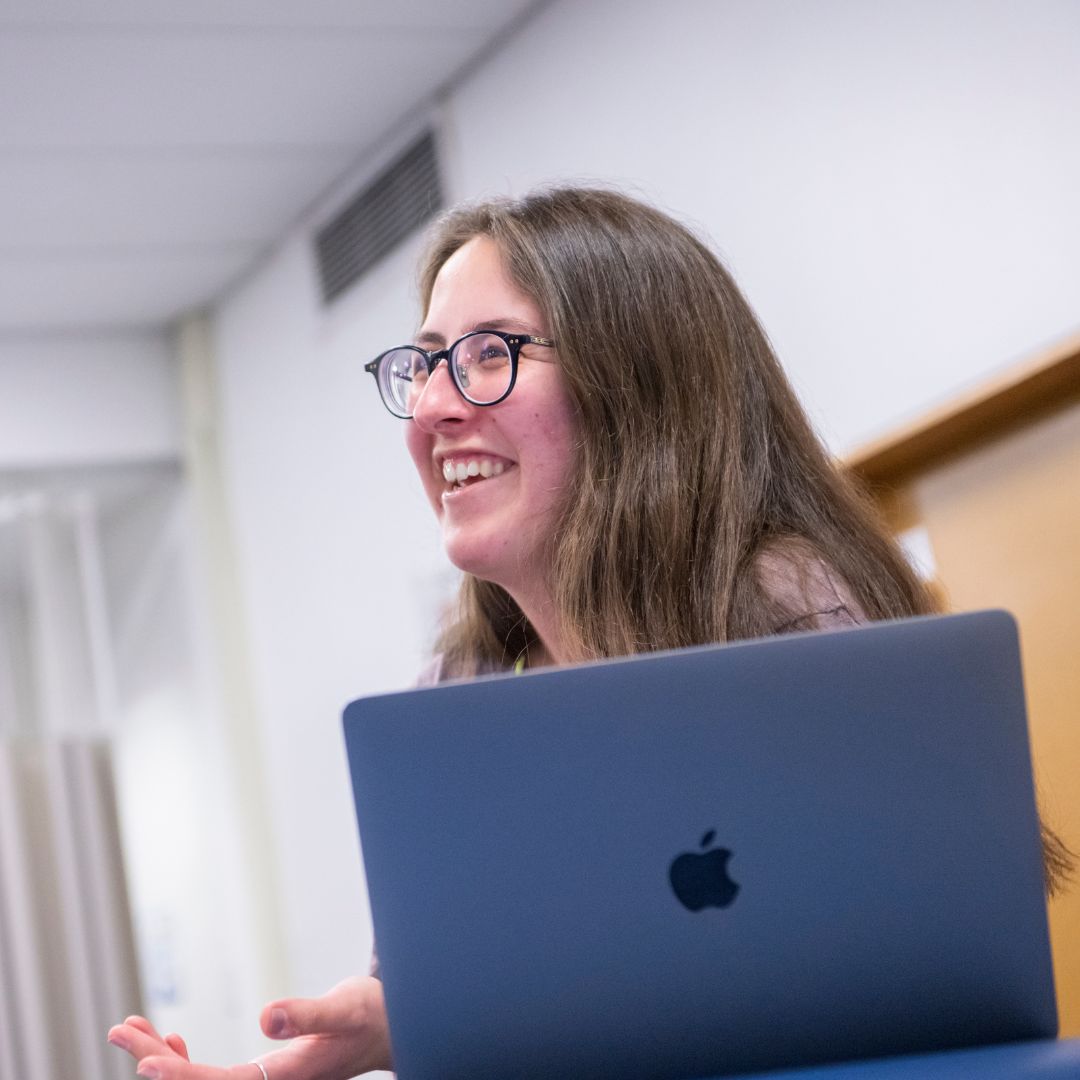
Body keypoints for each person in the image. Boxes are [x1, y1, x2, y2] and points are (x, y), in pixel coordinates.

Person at [107, 186, 1069, 1079]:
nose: (435, 406)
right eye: (430, 362)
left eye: (489, 354)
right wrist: (375, 1031)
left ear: (636, 382)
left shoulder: (787, 603)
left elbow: (895, 970)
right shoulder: (465, 677)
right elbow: (486, 983)